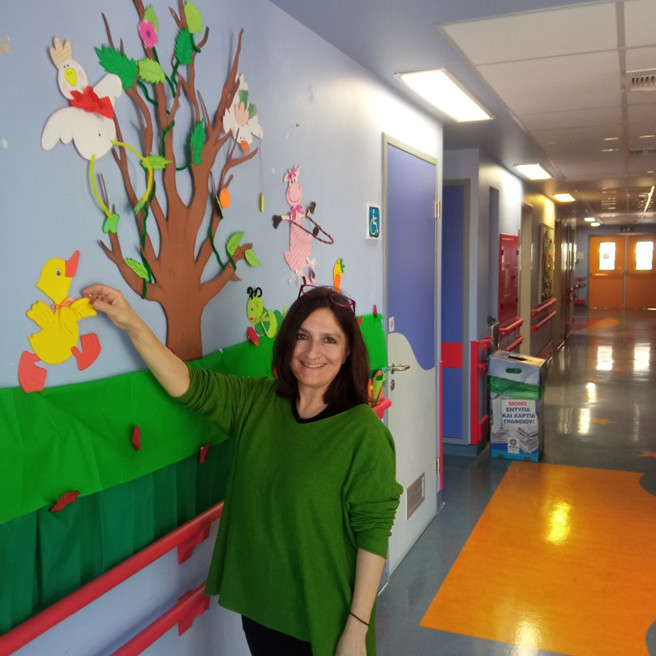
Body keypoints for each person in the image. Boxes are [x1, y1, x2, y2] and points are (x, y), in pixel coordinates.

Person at [83, 282, 402, 656]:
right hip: (261, 608)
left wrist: (357, 628)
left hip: (324, 616)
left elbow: (373, 535)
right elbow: (188, 385)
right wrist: (131, 321)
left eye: (329, 340)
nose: (313, 352)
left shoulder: (363, 432)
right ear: (288, 343)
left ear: (347, 352)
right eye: (302, 336)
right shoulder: (257, 402)